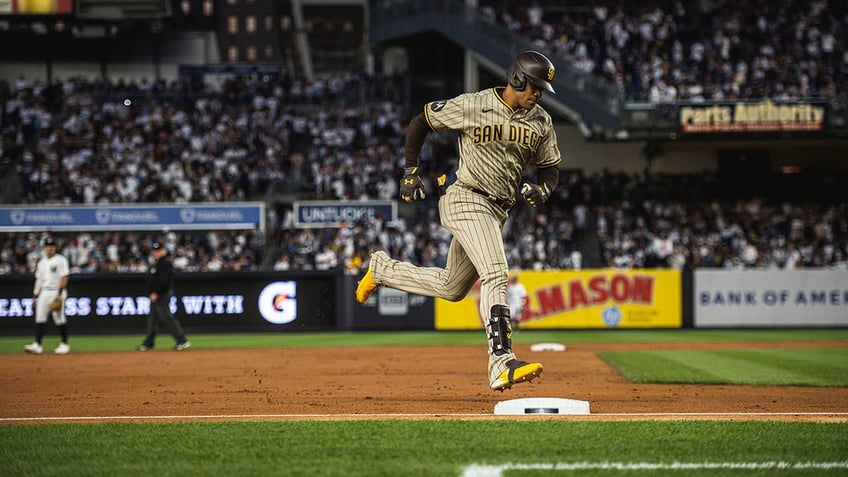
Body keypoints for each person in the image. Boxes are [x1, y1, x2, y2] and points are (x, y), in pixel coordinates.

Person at [356, 50, 562, 391]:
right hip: (465, 196)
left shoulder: (541, 121)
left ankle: (382, 270)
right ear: (516, 78)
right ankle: (501, 362)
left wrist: (543, 189)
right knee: (496, 272)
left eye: (541, 89)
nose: (537, 94)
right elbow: (422, 120)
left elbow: (550, 166)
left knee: (452, 288)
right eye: (534, 86)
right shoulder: (474, 104)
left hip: (498, 211)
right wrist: (410, 170)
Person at [138, 242, 191, 351]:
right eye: (155, 251)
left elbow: (164, 281)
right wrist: (150, 292)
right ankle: (148, 343)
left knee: (166, 318)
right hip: (156, 295)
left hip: (162, 295)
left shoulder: (165, 263)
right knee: (153, 319)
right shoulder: (156, 264)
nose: (156, 253)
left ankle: (182, 340)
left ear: (164, 251)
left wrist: (155, 292)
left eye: (158, 250)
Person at [25, 236, 71, 355]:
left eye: (52, 246)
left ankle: (64, 344)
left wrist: (60, 294)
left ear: (55, 247)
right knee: (40, 317)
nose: (50, 248)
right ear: (44, 248)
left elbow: (64, 277)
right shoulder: (41, 262)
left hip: (56, 291)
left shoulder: (61, 260)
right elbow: (39, 280)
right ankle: (37, 345)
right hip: (44, 292)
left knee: (59, 318)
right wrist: (35, 295)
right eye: (47, 246)